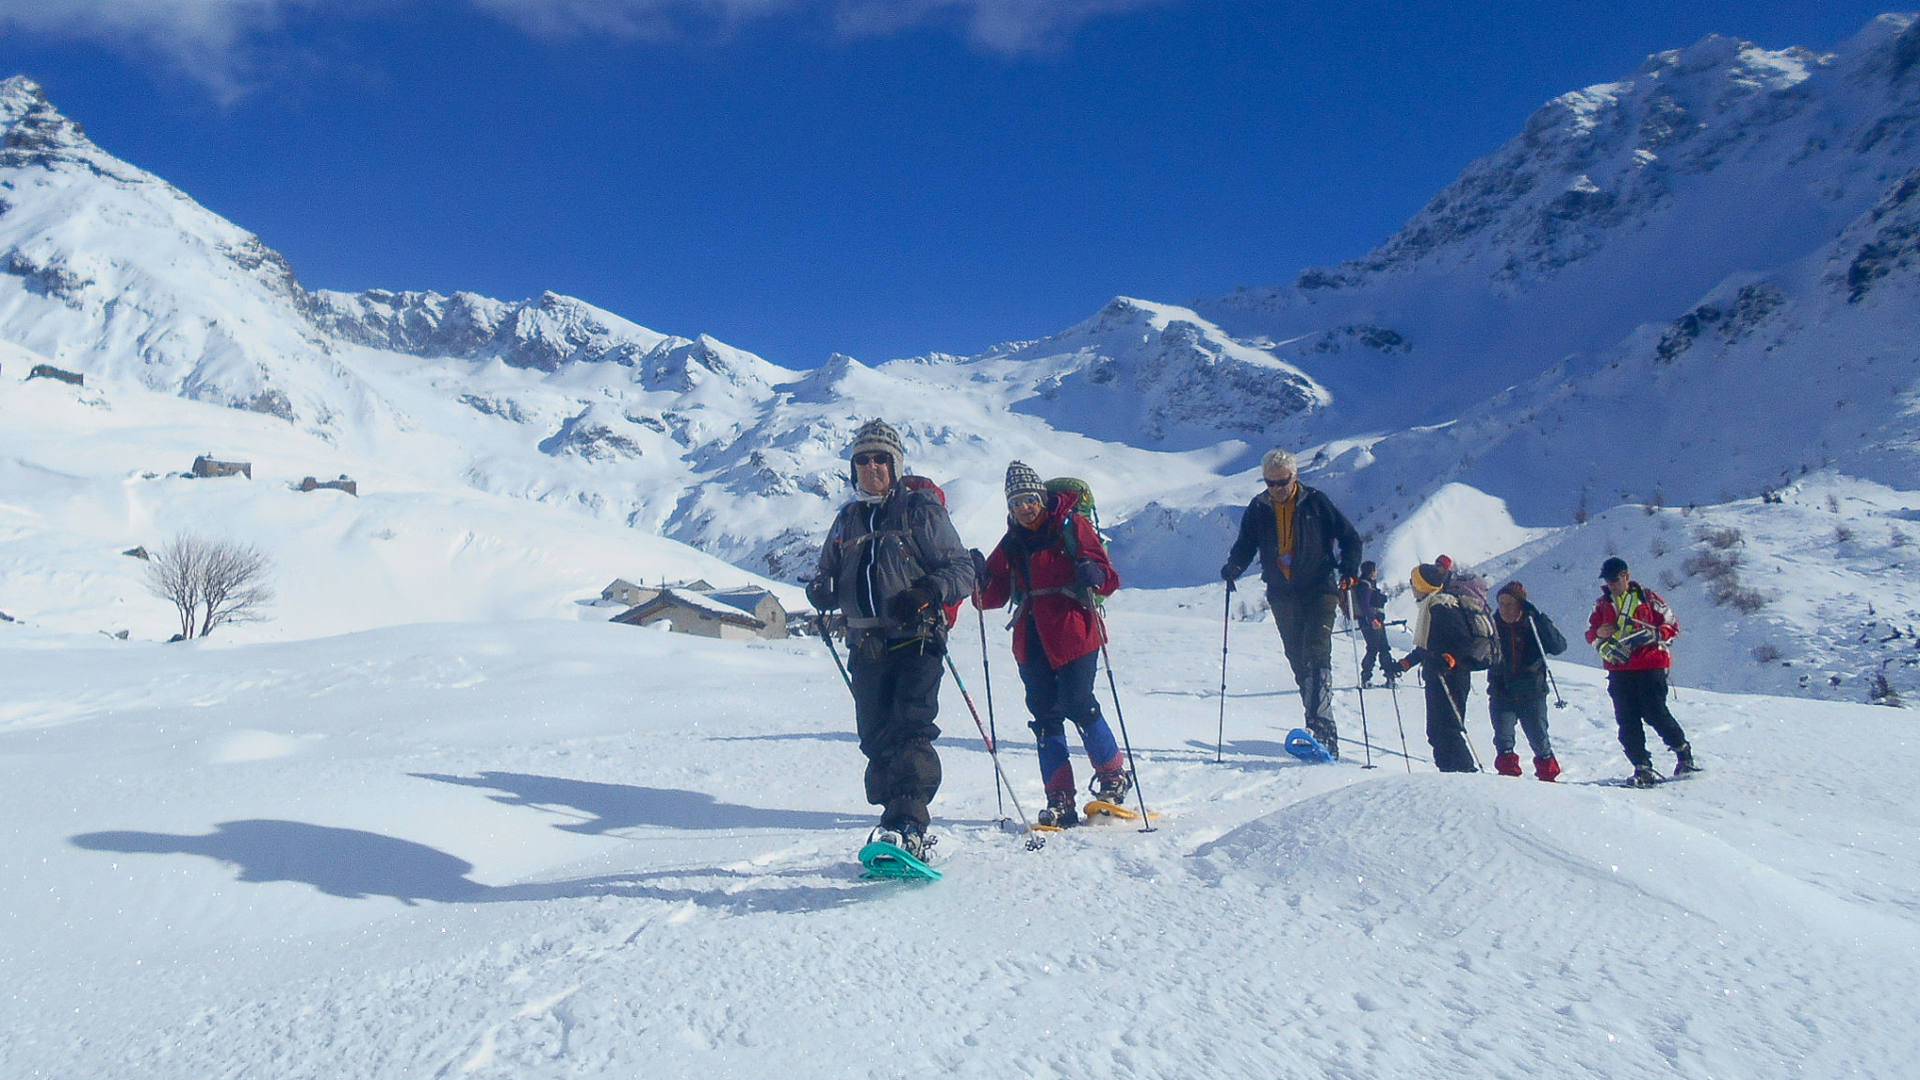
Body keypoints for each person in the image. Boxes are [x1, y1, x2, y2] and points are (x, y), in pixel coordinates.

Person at [806, 420, 975, 857]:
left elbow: (962, 570)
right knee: (875, 737)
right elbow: (825, 571)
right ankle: (893, 822)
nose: (872, 466)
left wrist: (926, 592)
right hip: (865, 644)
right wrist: (820, 590)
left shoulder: (921, 510)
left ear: (896, 464)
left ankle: (909, 824)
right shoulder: (847, 519)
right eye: (863, 459)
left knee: (910, 730)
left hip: (917, 636)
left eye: (881, 458)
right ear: (853, 468)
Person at [974, 462, 1125, 827]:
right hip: (1032, 638)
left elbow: (1108, 576)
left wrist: (1095, 573)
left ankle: (1113, 776)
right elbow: (989, 597)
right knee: (1044, 716)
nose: (1024, 508)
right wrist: (978, 576)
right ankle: (1059, 798)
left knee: (1078, 702)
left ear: (1041, 497)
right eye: (1016, 503)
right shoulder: (1012, 542)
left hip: (1075, 630)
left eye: (1029, 499)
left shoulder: (1072, 526)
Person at [1221, 450, 1362, 758]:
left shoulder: (1315, 502)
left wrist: (1350, 567)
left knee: (1316, 652)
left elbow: (1350, 537)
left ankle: (1323, 731)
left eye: (1282, 482)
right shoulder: (1258, 508)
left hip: (1320, 588)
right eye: (1270, 483)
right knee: (1298, 660)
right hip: (1282, 593)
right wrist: (1234, 566)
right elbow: (1246, 543)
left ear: (1294, 477)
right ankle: (1316, 725)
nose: (1276, 489)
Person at [1586, 557, 1702, 786]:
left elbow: (1672, 625)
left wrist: (1655, 634)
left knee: (1655, 712)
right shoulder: (1601, 605)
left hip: (1651, 664)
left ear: (1627, 576)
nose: (1612, 584)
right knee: (1627, 719)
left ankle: (1683, 753)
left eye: (1615, 579)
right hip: (1619, 669)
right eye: (1608, 580)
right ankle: (1642, 767)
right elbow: (1590, 633)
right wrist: (1600, 632)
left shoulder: (1648, 599)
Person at [1396, 562, 1482, 772]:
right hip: (1440, 676)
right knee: (1437, 732)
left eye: (1413, 583)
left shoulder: (1441, 606)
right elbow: (1427, 647)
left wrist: (1450, 659)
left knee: (1448, 730)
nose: (1412, 587)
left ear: (1422, 585)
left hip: (1451, 677)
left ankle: (1465, 775)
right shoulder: (1432, 605)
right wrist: (1405, 663)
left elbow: (1464, 641)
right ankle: (1448, 776)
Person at [1487, 581, 1566, 781]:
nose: (1504, 609)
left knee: (1539, 740)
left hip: (1532, 692)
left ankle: (1548, 779)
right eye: (1501, 603)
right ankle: (1509, 781)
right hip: (1501, 691)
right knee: (1503, 740)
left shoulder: (1533, 625)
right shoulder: (1492, 626)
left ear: (1521, 605)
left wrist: (1539, 620)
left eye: (1509, 604)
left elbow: (1558, 646)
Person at [1350, 560, 1397, 687]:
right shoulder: (1366, 586)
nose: (1376, 573)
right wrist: (1372, 620)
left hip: (1373, 621)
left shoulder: (1367, 584)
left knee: (1380, 648)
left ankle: (1379, 677)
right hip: (1372, 621)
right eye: (1375, 570)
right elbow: (1365, 605)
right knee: (1377, 648)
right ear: (1371, 572)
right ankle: (1377, 677)